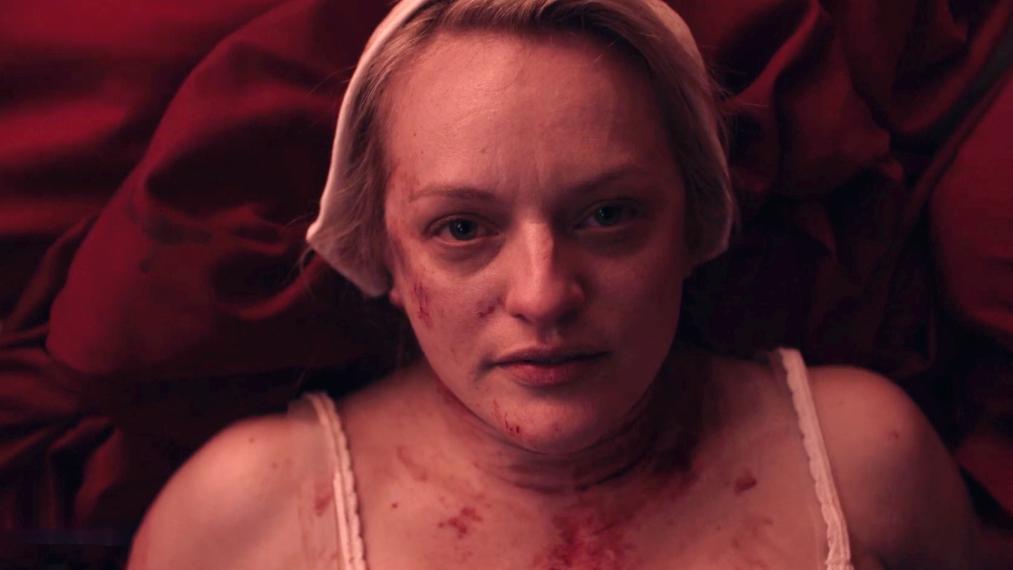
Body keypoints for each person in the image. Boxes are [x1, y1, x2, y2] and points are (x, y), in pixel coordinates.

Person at [126, 0, 982, 568]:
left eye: (606, 215)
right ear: (381, 252)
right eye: (462, 229)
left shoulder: (866, 464)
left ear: (693, 219)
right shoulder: (245, 519)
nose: (542, 296)